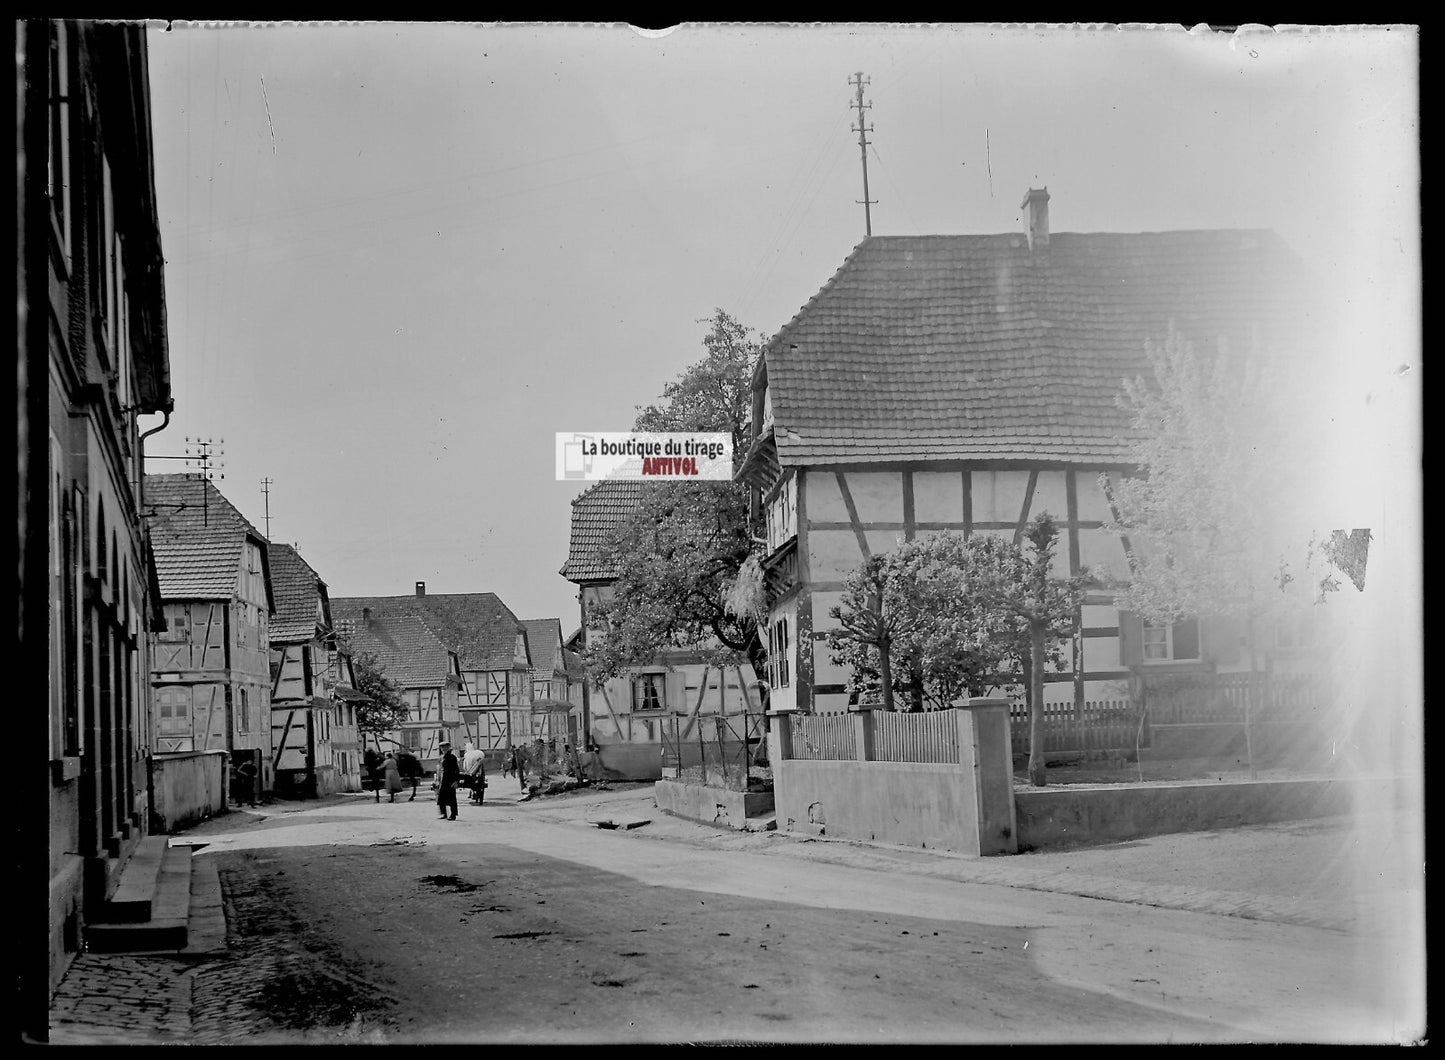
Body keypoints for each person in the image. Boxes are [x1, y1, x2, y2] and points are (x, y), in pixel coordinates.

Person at [435, 741, 460, 821]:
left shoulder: (452, 757)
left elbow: (456, 769)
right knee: (441, 797)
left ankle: (453, 814)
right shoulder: (441, 757)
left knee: (452, 798)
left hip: (450, 779)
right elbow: (439, 769)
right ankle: (444, 813)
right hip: (443, 779)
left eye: (445, 747)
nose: (444, 749)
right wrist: (437, 780)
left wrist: (456, 781)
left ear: (449, 748)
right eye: (442, 747)